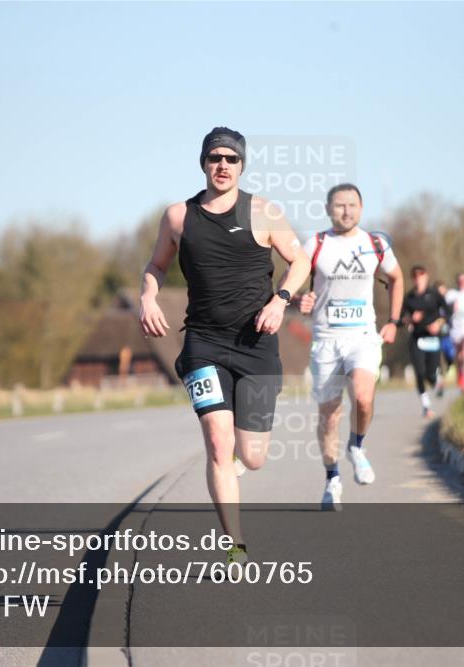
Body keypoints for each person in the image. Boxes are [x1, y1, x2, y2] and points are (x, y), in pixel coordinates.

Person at [140, 127, 310, 563]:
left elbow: (300, 261)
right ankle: (235, 545)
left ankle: (236, 466)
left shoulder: (264, 212)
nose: (222, 165)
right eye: (215, 157)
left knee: (252, 457)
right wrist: (147, 297)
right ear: (203, 162)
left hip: (256, 345)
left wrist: (280, 300)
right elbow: (156, 266)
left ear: (241, 165)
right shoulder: (178, 216)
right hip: (203, 343)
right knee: (218, 443)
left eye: (231, 159)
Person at [298, 183, 404, 510]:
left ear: (361, 208)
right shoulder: (315, 244)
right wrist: (299, 299)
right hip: (326, 340)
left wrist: (393, 321)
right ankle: (332, 479)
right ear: (328, 209)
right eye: (340, 205)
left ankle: (356, 446)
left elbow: (397, 279)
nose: (346, 211)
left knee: (362, 396)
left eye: (352, 205)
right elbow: (288, 281)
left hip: (362, 336)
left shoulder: (375, 244)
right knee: (329, 416)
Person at [401, 266, 450, 418]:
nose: (418, 279)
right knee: (419, 373)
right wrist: (410, 319)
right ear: (412, 279)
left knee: (430, 375)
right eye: (415, 276)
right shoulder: (409, 298)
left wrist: (438, 324)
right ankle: (426, 406)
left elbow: (448, 312)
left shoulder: (435, 295)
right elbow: (400, 319)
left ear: (426, 277)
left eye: (421, 276)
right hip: (417, 339)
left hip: (433, 339)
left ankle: (437, 379)